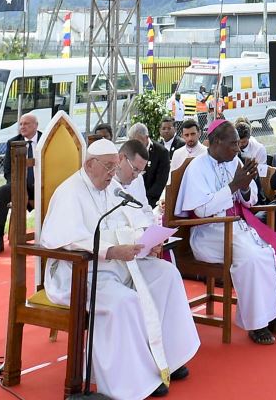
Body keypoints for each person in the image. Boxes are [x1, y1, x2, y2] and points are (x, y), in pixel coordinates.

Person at [40, 140, 199, 398]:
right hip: (82, 273)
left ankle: (167, 359)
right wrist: (112, 251)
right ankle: (131, 380)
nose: (114, 173)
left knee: (166, 275)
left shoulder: (112, 187)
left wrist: (148, 239)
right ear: (90, 164)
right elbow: (66, 239)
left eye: (116, 166)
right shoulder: (69, 192)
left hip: (121, 265)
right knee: (125, 301)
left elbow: (134, 219)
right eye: (109, 167)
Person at [174, 120, 276, 344]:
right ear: (216, 142)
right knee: (254, 258)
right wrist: (234, 185)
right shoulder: (197, 167)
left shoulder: (233, 161)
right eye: (233, 144)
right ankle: (257, 324)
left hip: (237, 226)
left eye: (238, 144)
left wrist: (245, 186)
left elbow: (252, 199)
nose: (237, 149)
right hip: (209, 232)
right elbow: (202, 209)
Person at [0, 112, 41, 255]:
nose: (22, 127)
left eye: (26, 124)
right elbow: (7, 171)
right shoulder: (12, 142)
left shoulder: (45, 139)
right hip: (20, 186)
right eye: (21, 124)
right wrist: (18, 186)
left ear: (36, 126)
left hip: (42, 186)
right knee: (3, 191)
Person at [132, 121, 171, 208]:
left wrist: (144, 200)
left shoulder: (161, 152)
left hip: (152, 199)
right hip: (132, 197)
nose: (135, 145)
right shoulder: (131, 150)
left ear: (146, 137)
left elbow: (161, 181)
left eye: (138, 141)